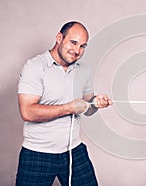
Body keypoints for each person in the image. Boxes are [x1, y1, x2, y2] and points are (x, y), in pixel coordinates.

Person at [16, 21, 112, 186]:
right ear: (59, 38)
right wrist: (69, 108)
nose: (77, 51)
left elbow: (86, 107)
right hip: (38, 153)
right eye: (73, 43)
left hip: (73, 150)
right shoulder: (35, 67)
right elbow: (27, 112)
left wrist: (95, 103)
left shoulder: (84, 71)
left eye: (82, 46)